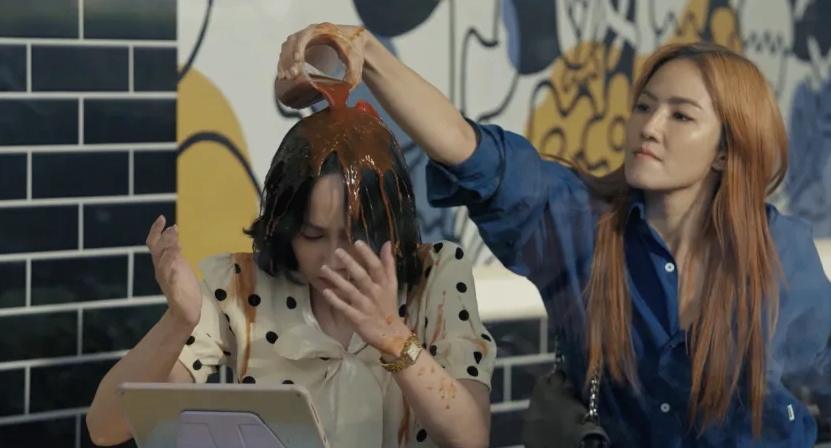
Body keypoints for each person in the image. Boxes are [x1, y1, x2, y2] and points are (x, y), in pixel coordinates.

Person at [276, 24, 831, 447]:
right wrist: (367, 52)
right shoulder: (578, 224)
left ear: (727, 151)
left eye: (680, 116)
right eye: (644, 106)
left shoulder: (782, 253)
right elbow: (470, 151)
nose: (649, 127)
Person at [85, 103, 496, 448]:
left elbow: (471, 436)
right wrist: (179, 322)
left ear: (390, 225)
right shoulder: (241, 283)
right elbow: (106, 428)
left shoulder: (435, 275)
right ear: (284, 228)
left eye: (356, 236)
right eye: (313, 235)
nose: (335, 259)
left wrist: (394, 339)